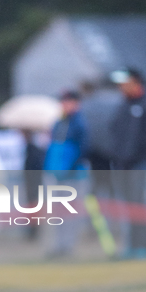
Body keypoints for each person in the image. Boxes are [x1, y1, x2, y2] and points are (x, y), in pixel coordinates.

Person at [108, 69, 146, 259]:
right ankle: (131, 246)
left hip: (139, 164)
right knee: (127, 207)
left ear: (136, 82)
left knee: (140, 206)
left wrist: (133, 154)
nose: (121, 87)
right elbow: (114, 132)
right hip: (122, 165)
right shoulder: (122, 106)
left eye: (124, 83)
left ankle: (144, 247)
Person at [43, 90, 89, 257]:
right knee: (57, 212)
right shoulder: (59, 123)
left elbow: (83, 149)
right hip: (57, 174)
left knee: (71, 212)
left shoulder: (80, 124)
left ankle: (68, 245)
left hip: (73, 175)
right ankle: (58, 245)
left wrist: (71, 167)